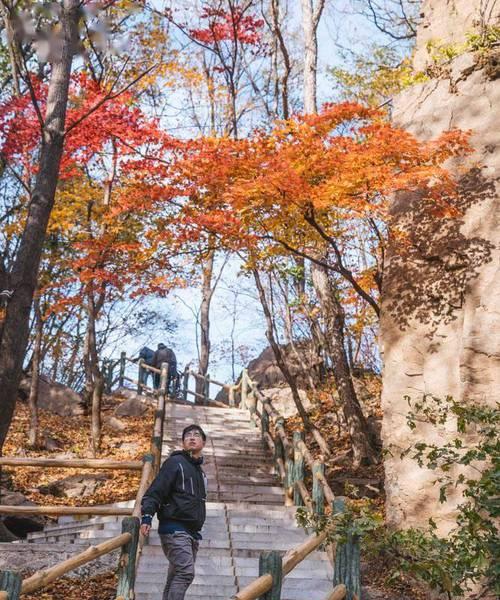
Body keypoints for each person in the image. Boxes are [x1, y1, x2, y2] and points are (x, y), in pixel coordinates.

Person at [140, 424, 207, 600]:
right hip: (175, 529)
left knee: (176, 575)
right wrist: (147, 517)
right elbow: (156, 491)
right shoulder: (175, 463)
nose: (192, 437)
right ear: (183, 443)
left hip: (191, 532)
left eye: (196, 435)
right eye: (187, 436)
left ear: (204, 442)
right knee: (186, 573)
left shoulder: (199, 472)